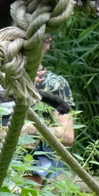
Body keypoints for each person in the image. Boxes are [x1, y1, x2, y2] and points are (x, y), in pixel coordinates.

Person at [29, 35, 76, 184]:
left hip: (39, 167)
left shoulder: (55, 84)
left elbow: (67, 135)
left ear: (47, 42)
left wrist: (33, 130)